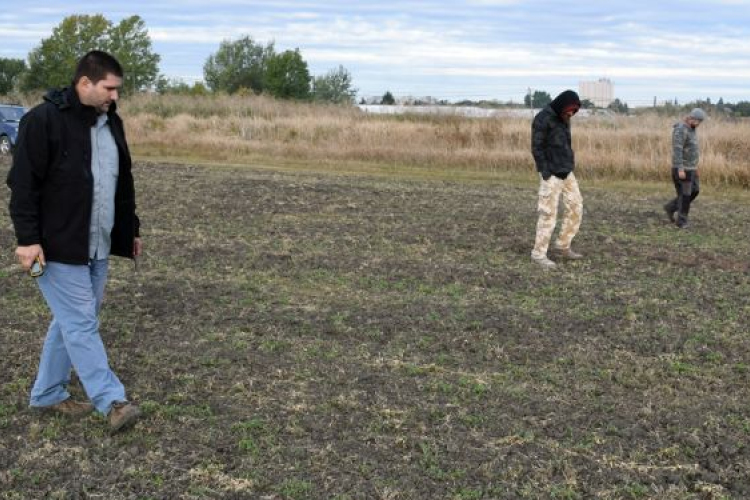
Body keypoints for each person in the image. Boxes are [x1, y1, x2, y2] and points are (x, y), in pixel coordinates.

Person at [7, 50, 142, 432]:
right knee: (81, 323)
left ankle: (48, 392)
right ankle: (112, 400)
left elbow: (119, 184)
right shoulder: (42, 121)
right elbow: (22, 185)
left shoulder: (111, 124)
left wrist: (130, 231)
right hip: (54, 247)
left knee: (71, 321)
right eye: (109, 88)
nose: (114, 97)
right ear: (85, 83)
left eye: (117, 90)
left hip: (96, 246)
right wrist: (27, 239)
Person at [530, 90, 583, 269]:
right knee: (548, 214)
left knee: (576, 207)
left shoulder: (564, 119)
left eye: (574, 112)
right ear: (562, 105)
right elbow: (537, 148)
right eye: (569, 111)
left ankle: (563, 246)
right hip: (551, 173)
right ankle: (538, 254)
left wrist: (569, 165)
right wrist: (545, 172)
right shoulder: (542, 119)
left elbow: (565, 145)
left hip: (567, 172)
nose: (571, 115)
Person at [663, 108, 706, 229]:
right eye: (698, 121)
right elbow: (677, 150)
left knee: (695, 190)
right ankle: (681, 222)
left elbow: (692, 150)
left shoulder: (691, 129)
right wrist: (680, 169)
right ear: (692, 118)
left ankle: (671, 207)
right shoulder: (680, 130)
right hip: (682, 169)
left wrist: (695, 167)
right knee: (685, 195)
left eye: (700, 122)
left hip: (691, 168)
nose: (699, 124)